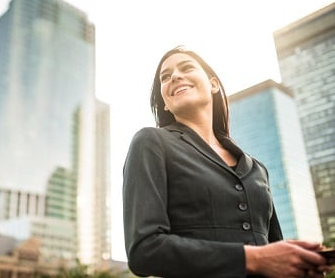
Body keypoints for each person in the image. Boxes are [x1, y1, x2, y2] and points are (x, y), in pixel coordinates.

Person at [122, 46, 333, 278]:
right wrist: (254, 259)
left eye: (187, 67)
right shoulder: (150, 142)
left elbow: (274, 253)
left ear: (213, 84)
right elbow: (145, 250)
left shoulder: (258, 169)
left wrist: (299, 265)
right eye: (165, 76)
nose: (175, 76)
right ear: (165, 103)